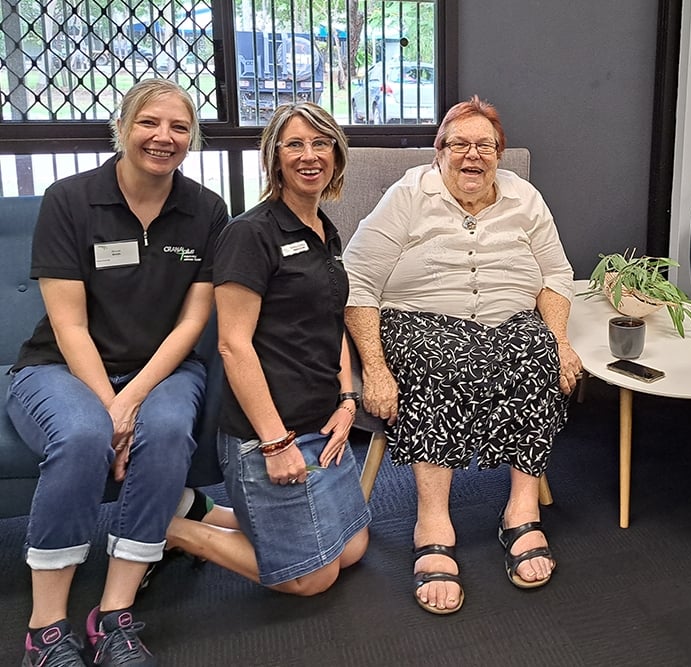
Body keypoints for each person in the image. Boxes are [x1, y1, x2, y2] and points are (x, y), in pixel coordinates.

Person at [6, 79, 229, 666]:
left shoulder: (206, 209)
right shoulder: (70, 199)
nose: (164, 137)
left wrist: (135, 400)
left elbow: (192, 321)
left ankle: (113, 617)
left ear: (193, 138)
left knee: (165, 434)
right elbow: (69, 326)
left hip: (165, 366)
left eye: (180, 128)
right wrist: (112, 408)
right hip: (62, 366)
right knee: (83, 437)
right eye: (149, 123)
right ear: (123, 127)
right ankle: (46, 630)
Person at [342, 95, 582, 614]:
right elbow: (357, 279)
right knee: (442, 359)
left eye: (485, 146)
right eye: (460, 145)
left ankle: (519, 513)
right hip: (420, 321)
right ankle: (432, 519)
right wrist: (376, 368)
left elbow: (557, 276)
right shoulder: (409, 195)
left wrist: (561, 340)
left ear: (499, 152)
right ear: (439, 151)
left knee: (536, 348)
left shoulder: (525, 198)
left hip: (506, 320)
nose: (472, 156)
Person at [163, 101, 371, 597]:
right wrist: (276, 443)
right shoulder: (248, 234)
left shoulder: (325, 229)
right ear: (274, 157)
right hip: (268, 433)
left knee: (354, 549)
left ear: (337, 157)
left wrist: (347, 400)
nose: (309, 155)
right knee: (312, 578)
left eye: (321, 144)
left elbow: (331, 322)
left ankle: (209, 512)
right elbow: (233, 346)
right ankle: (167, 528)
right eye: (294, 144)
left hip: (324, 424)